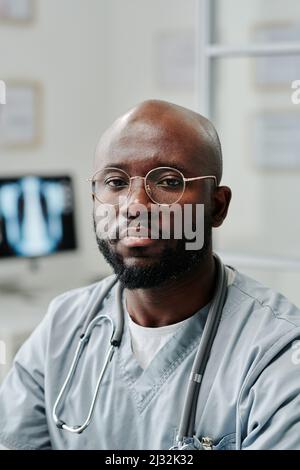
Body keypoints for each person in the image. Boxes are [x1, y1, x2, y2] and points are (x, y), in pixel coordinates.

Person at [0, 100, 299, 450]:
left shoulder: (278, 353)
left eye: (169, 181)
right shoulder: (63, 325)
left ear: (216, 206)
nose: (135, 205)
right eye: (115, 181)